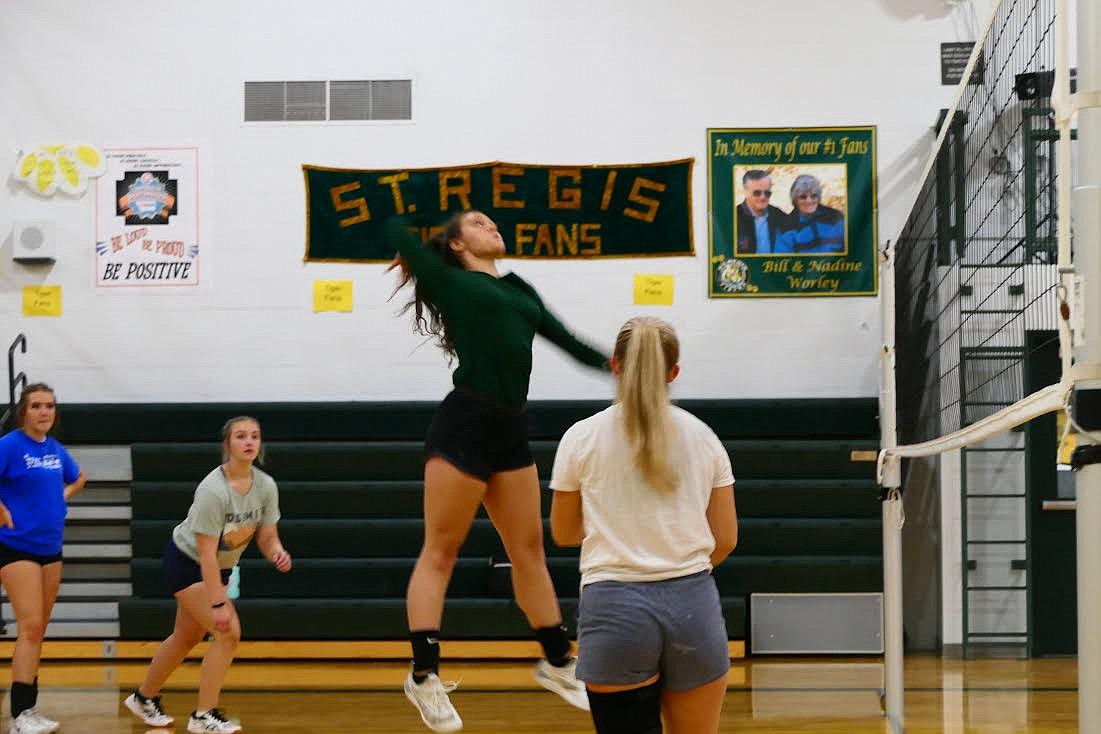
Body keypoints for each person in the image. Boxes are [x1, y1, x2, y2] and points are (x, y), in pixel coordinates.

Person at [386, 212, 608, 732]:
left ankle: (556, 662)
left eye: (492, 222)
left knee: (529, 550)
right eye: (479, 224)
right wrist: (412, 237)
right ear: (459, 243)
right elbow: (395, 230)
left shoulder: (518, 288)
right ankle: (424, 675)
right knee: (440, 552)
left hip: (511, 426)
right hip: (464, 423)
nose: (493, 227)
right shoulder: (451, 279)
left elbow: (567, 340)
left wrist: (616, 363)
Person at [549, 317, 738, 734]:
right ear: (674, 373)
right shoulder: (704, 437)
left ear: (615, 365)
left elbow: (563, 534)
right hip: (693, 605)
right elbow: (725, 540)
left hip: (614, 607)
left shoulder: (580, 438)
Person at [123, 416, 291, 734]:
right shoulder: (213, 490)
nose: (249, 441)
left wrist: (277, 552)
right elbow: (206, 555)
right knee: (228, 633)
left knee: (186, 637)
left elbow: (267, 536)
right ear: (227, 445)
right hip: (188, 562)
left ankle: (143, 697)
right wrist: (217, 603)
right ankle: (204, 715)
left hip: (220, 566)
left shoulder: (266, 486)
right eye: (241, 436)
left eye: (254, 436)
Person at [0, 383, 85, 734]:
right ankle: (20, 714)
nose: (44, 412)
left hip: (52, 548)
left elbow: (79, 477)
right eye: (36, 406)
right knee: (31, 627)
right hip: (17, 547)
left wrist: (63, 493)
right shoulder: (9, 446)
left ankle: (30, 709)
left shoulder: (55, 449)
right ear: (24, 411)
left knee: (38, 631)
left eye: (49, 406)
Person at [773, 174, 846, 254]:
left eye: (814, 196)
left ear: (818, 198)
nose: (809, 201)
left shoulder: (835, 218)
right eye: (803, 197)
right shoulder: (785, 227)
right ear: (795, 200)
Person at [735, 169, 788, 255]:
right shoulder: (733, 218)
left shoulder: (779, 215)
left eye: (767, 193)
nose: (763, 197)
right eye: (757, 193)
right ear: (745, 191)